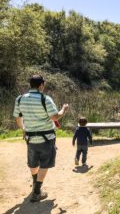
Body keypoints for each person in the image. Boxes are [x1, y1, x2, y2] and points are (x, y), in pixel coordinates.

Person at [13, 74, 69, 202]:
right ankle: (37, 191)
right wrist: (63, 109)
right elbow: (55, 117)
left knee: (33, 162)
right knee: (45, 163)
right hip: (46, 138)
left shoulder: (20, 99)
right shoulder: (45, 99)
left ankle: (35, 184)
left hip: (30, 138)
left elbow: (18, 118)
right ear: (41, 85)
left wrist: (23, 130)